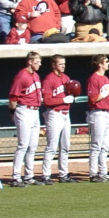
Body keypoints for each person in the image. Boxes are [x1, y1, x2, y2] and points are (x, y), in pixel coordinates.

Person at [8, 51, 43, 186]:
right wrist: (13, 112)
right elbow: (13, 97)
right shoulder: (21, 76)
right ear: (29, 62)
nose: (39, 64)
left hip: (35, 111)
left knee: (32, 146)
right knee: (23, 145)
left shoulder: (36, 76)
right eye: (37, 61)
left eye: (40, 61)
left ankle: (29, 176)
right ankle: (15, 177)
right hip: (24, 110)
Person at [40, 54, 76, 184]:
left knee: (65, 146)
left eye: (64, 63)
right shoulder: (49, 79)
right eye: (61, 64)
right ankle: (46, 175)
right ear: (54, 65)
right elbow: (47, 100)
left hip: (66, 113)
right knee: (52, 146)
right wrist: (63, 99)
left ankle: (63, 173)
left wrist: (72, 96)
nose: (63, 66)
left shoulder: (66, 78)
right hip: (54, 113)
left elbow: (72, 91)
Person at [86, 54, 109, 181]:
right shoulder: (94, 79)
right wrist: (104, 94)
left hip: (107, 112)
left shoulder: (105, 78)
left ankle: (103, 172)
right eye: (106, 61)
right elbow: (93, 99)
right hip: (97, 113)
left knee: (105, 145)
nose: (108, 63)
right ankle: (93, 173)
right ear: (100, 64)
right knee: (96, 145)